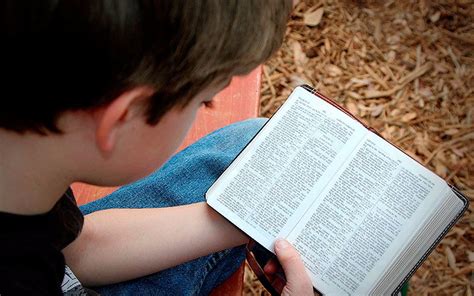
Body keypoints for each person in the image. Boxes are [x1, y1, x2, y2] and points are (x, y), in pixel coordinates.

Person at [0, 1, 313, 295]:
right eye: (203, 101)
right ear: (124, 117)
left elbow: (77, 251)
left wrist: (241, 219)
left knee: (253, 144)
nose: (202, 110)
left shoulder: (24, 165)